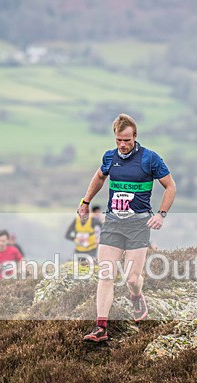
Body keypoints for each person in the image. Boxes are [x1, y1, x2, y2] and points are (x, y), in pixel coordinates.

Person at [77, 114, 176, 343]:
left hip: (138, 225)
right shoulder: (110, 157)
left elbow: (170, 186)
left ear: (135, 137)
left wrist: (161, 214)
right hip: (113, 222)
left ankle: (137, 296)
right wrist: (86, 201)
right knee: (106, 274)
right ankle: (101, 327)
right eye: (119, 140)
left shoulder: (150, 159)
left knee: (132, 278)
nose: (122, 145)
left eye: (127, 140)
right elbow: (100, 177)